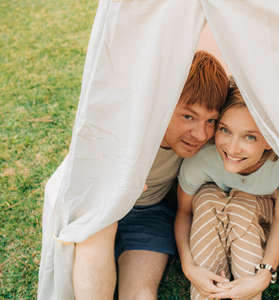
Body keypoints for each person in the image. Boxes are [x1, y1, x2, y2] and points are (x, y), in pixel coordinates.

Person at [72, 51, 229, 300]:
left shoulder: (209, 143)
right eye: (188, 116)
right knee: (93, 252)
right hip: (103, 210)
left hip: (149, 215)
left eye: (211, 120)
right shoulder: (129, 131)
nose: (200, 134)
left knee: (140, 292)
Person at [175, 78, 279, 300]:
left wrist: (264, 276)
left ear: (269, 141)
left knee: (241, 204)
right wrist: (189, 268)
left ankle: (247, 291)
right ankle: (208, 292)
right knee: (207, 199)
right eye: (225, 130)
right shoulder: (201, 160)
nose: (232, 148)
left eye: (250, 136)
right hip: (210, 210)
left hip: (256, 211)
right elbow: (183, 213)